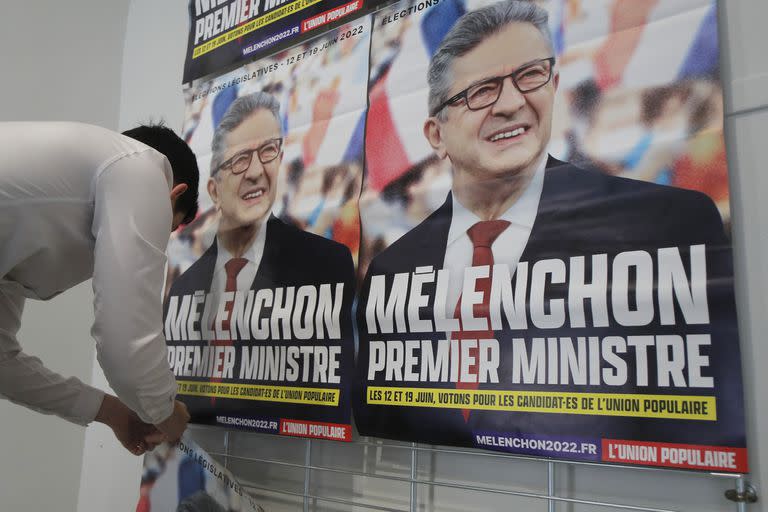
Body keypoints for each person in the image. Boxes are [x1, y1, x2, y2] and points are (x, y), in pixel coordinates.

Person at [355, 0, 742, 447]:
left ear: (554, 85)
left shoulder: (665, 228)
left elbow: (713, 444)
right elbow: (384, 433)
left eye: (530, 76)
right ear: (436, 136)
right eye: (481, 90)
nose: (513, 103)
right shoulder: (391, 272)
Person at [0, 121, 195, 454]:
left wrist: (111, 412)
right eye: (169, 226)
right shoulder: (142, 168)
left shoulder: (24, 225)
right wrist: (167, 414)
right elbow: (125, 344)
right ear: (172, 194)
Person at [165, 92, 355, 425]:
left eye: (268, 152)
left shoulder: (326, 264)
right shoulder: (183, 288)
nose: (256, 171)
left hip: (292, 460)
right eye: (239, 160)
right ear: (214, 190)